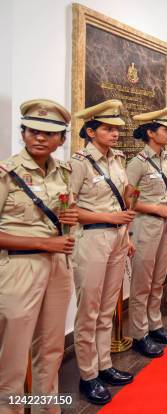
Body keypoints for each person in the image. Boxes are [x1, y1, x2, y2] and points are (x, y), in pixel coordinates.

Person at [0, 99, 76, 414]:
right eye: (32, 131)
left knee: (52, 348)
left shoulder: (64, 172)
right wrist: (45, 244)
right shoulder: (6, 173)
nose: (40, 138)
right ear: (23, 133)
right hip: (19, 267)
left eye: (49, 133)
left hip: (58, 267)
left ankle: (47, 408)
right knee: (14, 355)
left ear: (61, 138)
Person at [71, 99, 135, 405]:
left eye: (115, 129)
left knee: (108, 305)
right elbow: (68, 211)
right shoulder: (79, 162)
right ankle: (88, 375)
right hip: (92, 239)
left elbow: (121, 199)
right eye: (107, 129)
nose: (114, 134)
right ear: (91, 130)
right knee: (89, 310)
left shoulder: (117, 159)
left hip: (118, 238)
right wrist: (110, 219)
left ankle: (104, 364)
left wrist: (125, 232)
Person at [125, 107, 167, 359]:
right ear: (150, 133)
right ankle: (139, 334)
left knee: (159, 278)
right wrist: (155, 208)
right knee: (142, 283)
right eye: (164, 129)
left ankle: (155, 324)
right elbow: (128, 200)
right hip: (145, 224)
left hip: (165, 223)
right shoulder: (138, 163)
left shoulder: (166, 160)